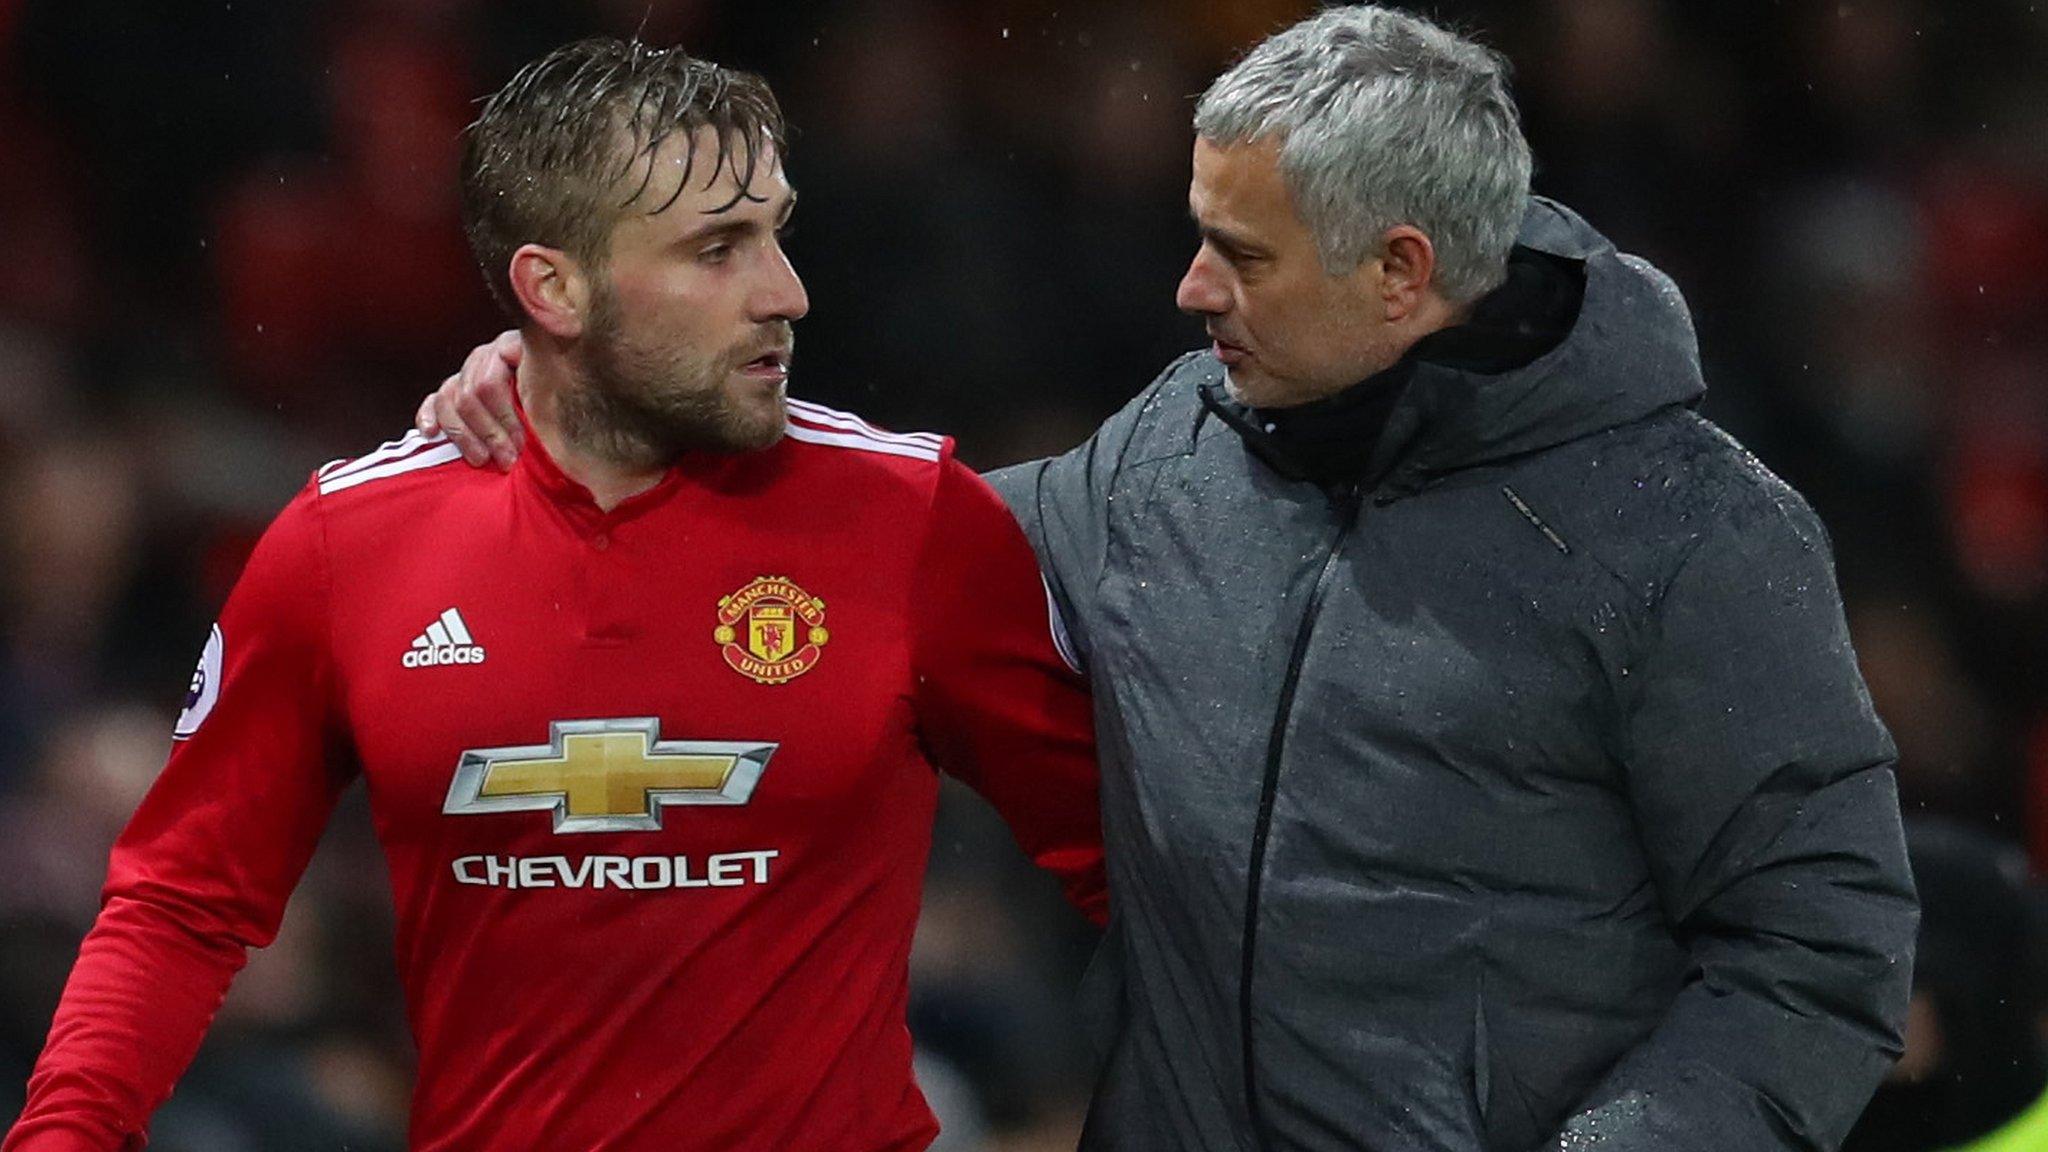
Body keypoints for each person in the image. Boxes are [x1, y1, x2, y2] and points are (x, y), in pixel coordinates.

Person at [425, 7, 1919, 1152]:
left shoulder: (1692, 534)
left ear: (1401, 272)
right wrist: (590, 381)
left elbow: (1816, 953)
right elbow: (866, 538)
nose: (1192, 289)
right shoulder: (1171, 456)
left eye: (1239, 255)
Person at [7, 38, 1105, 1152]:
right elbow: (182, 905)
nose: (786, 292)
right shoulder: (346, 544)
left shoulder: (914, 517)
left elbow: (1137, 864)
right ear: (552, 287)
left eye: (775, 231)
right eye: (718, 249)